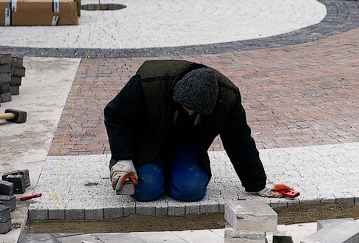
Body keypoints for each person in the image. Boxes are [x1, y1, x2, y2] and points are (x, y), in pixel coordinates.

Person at [104, 60, 276, 202]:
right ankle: (151, 168)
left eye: (196, 110)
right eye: (186, 107)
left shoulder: (227, 98)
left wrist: (257, 184)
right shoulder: (150, 83)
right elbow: (116, 115)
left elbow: (239, 140)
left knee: (191, 191)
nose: (191, 113)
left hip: (185, 144)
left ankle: (168, 169)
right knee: (146, 191)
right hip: (148, 140)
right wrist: (123, 158)